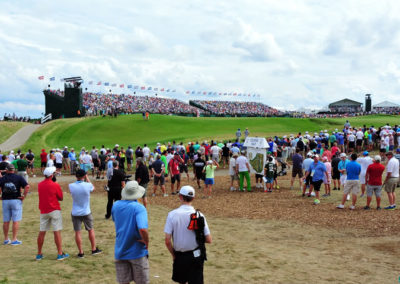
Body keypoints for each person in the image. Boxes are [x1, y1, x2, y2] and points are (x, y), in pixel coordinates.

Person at [164, 186, 212, 284]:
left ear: (180, 196)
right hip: (196, 255)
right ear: (193, 198)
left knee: (182, 281)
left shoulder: (172, 215)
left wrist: (173, 255)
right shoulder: (199, 215)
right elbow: (209, 239)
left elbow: (167, 241)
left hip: (180, 256)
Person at [112, 181, 149, 284]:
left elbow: (116, 221)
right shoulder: (139, 208)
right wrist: (146, 242)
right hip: (137, 252)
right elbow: (143, 229)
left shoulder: (116, 205)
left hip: (120, 250)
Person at [36, 166, 69, 261]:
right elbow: (61, 198)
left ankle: (39, 253)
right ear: (51, 175)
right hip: (54, 209)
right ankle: (59, 253)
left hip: (43, 210)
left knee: (42, 232)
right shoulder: (55, 185)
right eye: (54, 173)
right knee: (57, 231)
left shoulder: (40, 184)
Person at [69, 169, 102, 258]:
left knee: (77, 232)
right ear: (84, 176)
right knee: (90, 230)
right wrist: (87, 178)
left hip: (75, 212)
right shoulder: (88, 185)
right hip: (86, 211)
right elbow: (93, 188)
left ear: (76, 176)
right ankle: (94, 249)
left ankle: (81, 252)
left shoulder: (71, 186)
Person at [0, 164, 29, 245]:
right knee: (15, 221)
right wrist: (24, 196)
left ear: (7, 170)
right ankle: (14, 239)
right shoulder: (18, 177)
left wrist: (0, 195)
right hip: (16, 200)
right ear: (13, 170)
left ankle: (6, 239)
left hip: (5, 200)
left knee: (6, 221)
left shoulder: (3, 178)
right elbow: (27, 186)